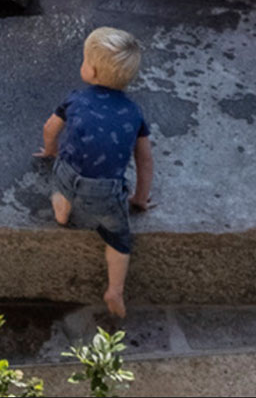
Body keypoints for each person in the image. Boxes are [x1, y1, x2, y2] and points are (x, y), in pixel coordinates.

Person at [40, 27, 155, 319]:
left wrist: (50, 152)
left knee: (62, 183)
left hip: (67, 174)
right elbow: (144, 160)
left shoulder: (75, 99)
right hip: (105, 192)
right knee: (119, 240)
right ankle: (115, 289)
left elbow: (50, 129)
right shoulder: (134, 112)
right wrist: (140, 199)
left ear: (89, 71)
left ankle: (62, 211)